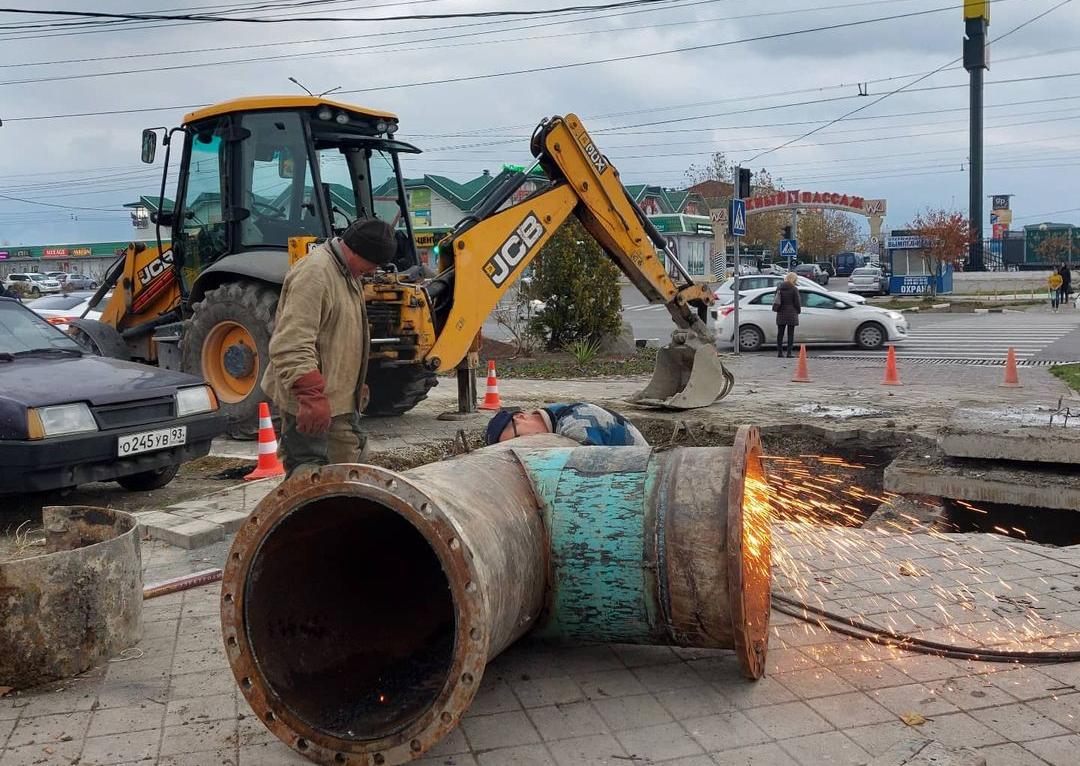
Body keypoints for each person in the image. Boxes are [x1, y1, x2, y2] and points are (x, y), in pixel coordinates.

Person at [261, 218, 397, 476]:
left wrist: (354, 382)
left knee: (350, 475)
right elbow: (290, 343)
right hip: (313, 404)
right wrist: (311, 396)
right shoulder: (316, 273)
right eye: (372, 264)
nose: (372, 271)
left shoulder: (346, 272)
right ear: (358, 250)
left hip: (338, 402)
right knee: (310, 478)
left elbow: (338, 336)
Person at [485, 403, 649, 447]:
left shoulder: (574, 423)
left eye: (518, 439)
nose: (523, 446)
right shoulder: (555, 416)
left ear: (521, 417)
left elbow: (585, 472)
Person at [773, 271, 801, 357]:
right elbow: (797, 302)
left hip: (781, 313)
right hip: (791, 313)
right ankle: (789, 353)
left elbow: (775, 299)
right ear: (794, 279)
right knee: (790, 334)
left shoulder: (779, 288)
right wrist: (798, 311)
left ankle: (780, 352)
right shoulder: (794, 289)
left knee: (780, 333)